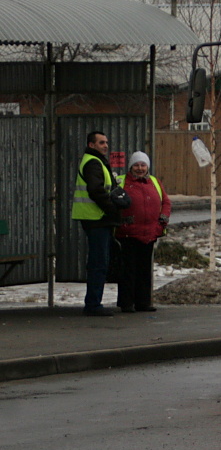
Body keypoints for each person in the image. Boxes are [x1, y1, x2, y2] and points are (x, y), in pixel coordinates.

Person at [71, 130, 122, 316]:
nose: (106, 146)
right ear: (91, 145)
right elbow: (96, 190)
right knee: (99, 263)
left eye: (106, 142)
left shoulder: (96, 160)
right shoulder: (93, 162)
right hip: (96, 218)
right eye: (101, 143)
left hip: (96, 218)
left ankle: (94, 302)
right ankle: (93, 304)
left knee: (99, 261)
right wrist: (112, 209)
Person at [115, 151, 171, 313]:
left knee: (144, 271)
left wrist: (163, 218)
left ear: (147, 167)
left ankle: (143, 302)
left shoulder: (154, 181)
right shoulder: (121, 182)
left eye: (143, 165)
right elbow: (114, 202)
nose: (140, 168)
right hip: (128, 234)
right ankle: (126, 303)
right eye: (136, 165)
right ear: (131, 167)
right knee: (128, 270)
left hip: (149, 234)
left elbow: (166, 202)